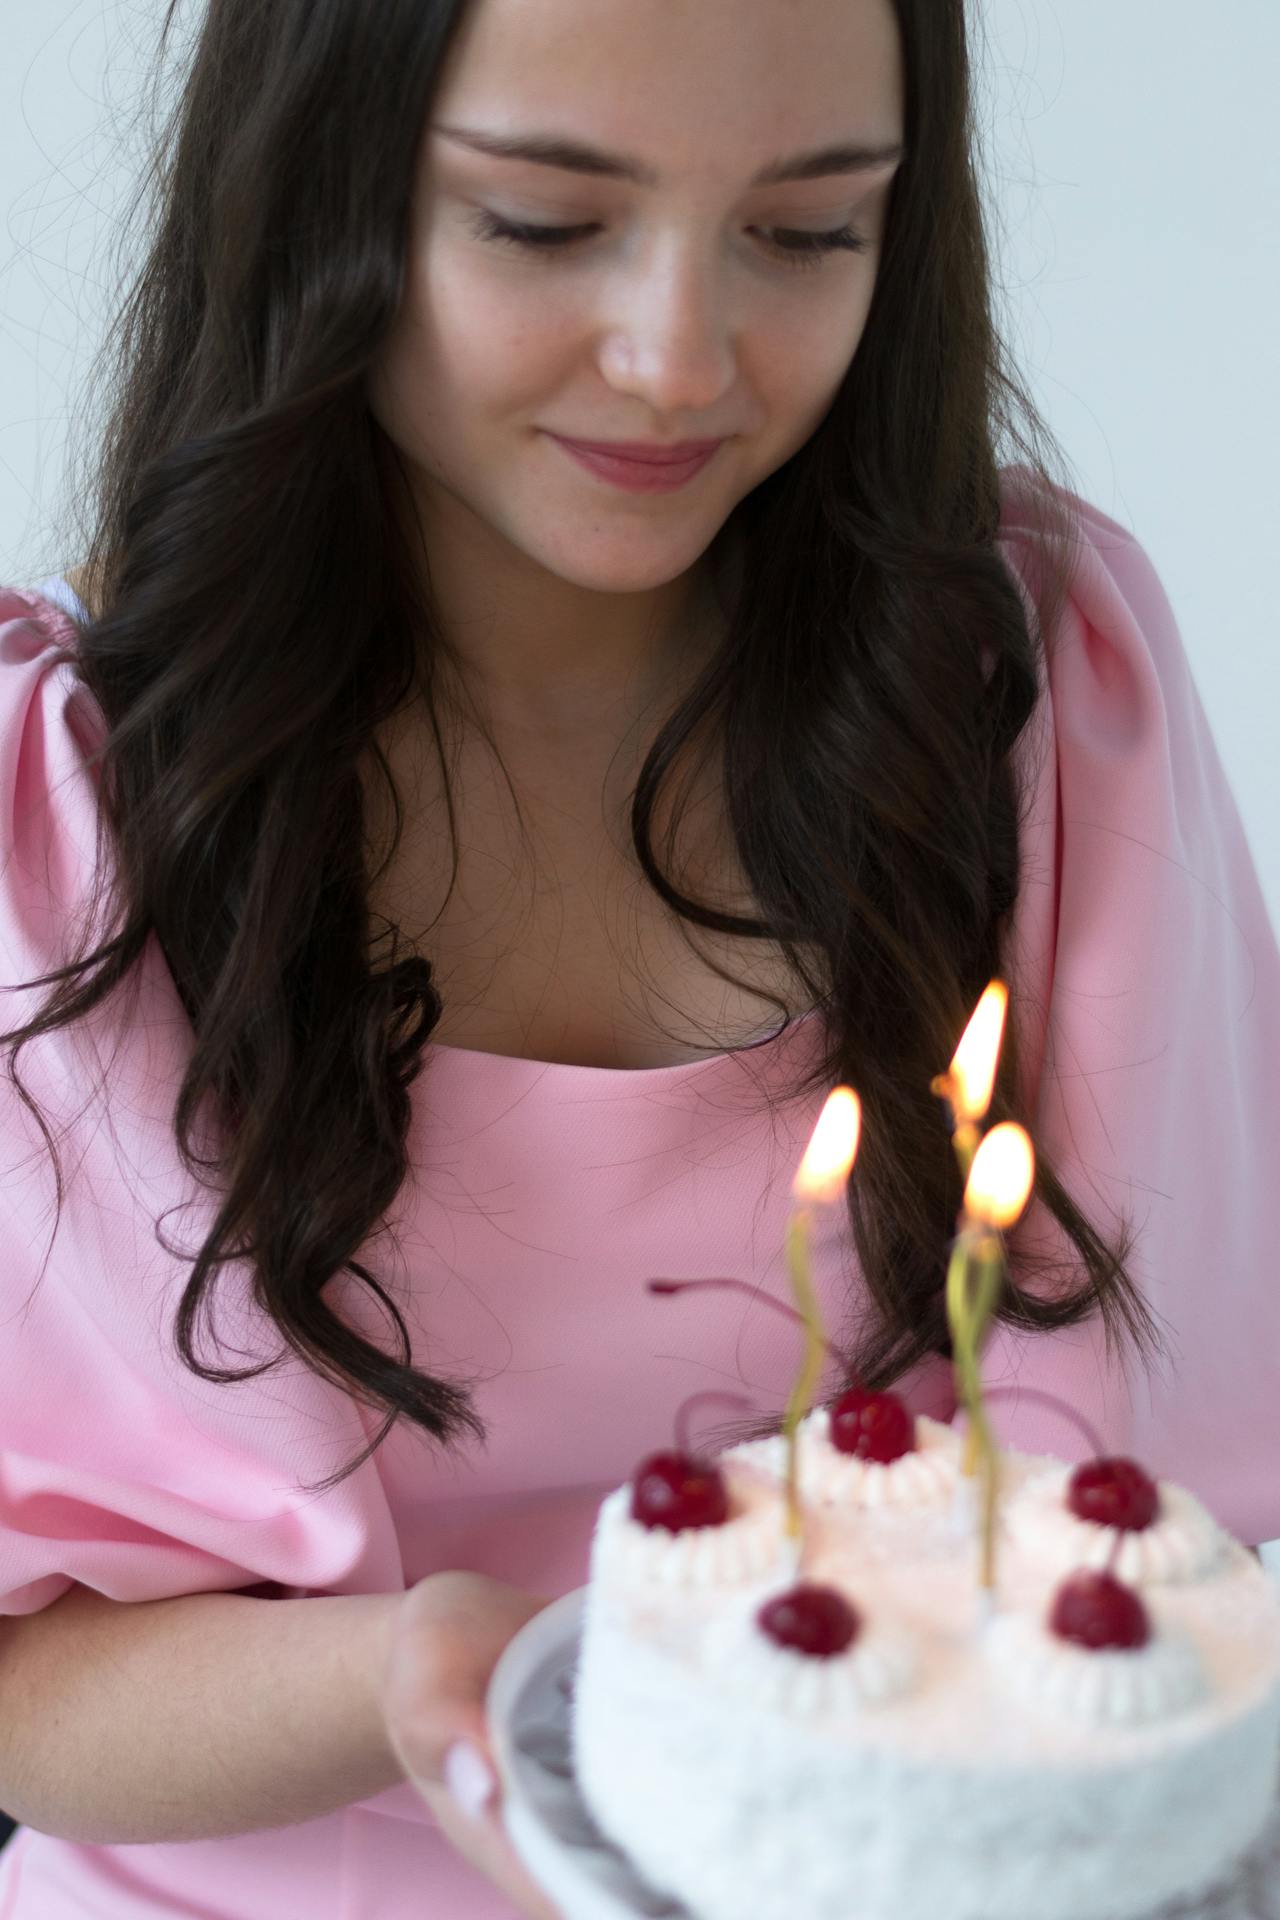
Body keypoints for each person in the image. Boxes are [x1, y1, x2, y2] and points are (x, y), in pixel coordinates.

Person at [0, 0, 1277, 1913]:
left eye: (805, 230)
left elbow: (1166, 1539)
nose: (682, 360)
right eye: (542, 222)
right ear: (318, 198)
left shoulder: (1035, 698)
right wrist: (426, 1671)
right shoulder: (59, 826)